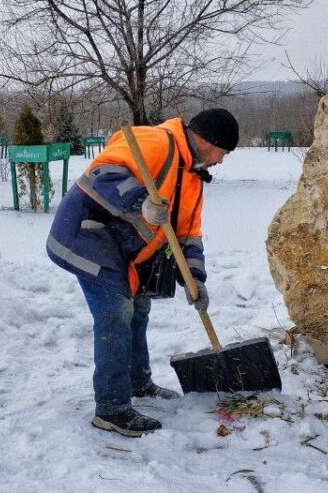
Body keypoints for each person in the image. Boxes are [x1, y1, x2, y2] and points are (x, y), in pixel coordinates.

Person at [47, 108, 239, 437]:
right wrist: (141, 203)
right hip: (87, 235)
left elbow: (188, 233)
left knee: (139, 306)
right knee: (116, 311)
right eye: (223, 152)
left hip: (123, 251)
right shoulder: (156, 142)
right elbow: (102, 172)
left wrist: (195, 278)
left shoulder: (192, 176)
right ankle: (111, 408)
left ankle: (138, 382)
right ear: (208, 142)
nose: (221, 161)